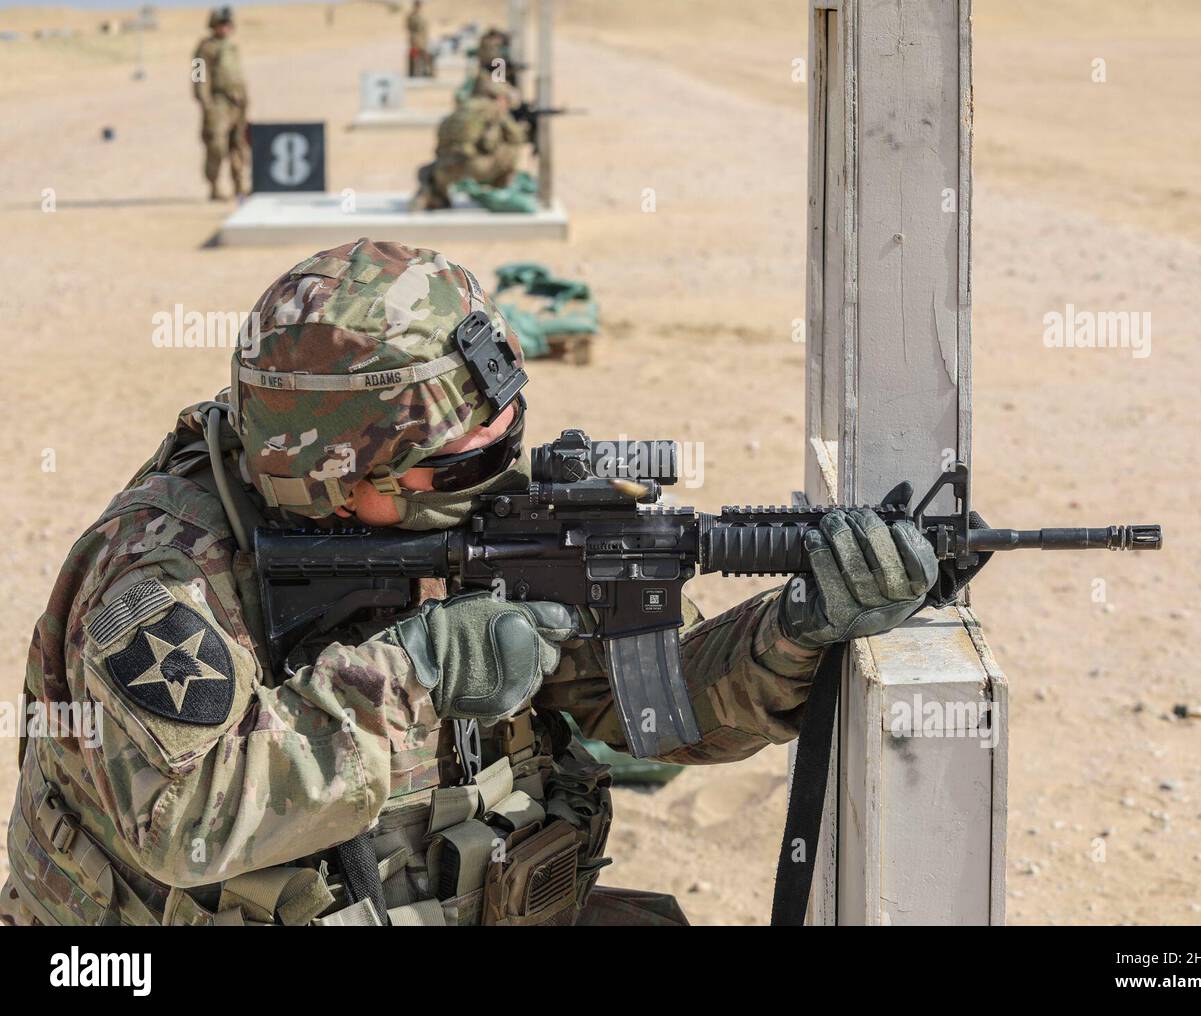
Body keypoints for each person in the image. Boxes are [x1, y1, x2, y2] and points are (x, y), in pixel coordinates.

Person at [0, 239, 937, 926]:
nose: (491, 486)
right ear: (331, 476)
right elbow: (186, 821)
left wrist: (797, 629)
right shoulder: (159, 579)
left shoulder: (480, 524)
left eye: (507, 444)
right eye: (454, 470)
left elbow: (656, 710)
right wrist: (416, 671)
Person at [412, 81, 527, 210]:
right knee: (511, 149)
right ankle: (500, 191)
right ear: (499, 98)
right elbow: (517, 137)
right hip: (473, 169)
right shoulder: (494, 109)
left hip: (444, 169)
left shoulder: (464, 106)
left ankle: (436, 196)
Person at [192, 6, 248, 201]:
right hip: (217, 103)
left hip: (237, 102)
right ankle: (214, 186)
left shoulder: (232, 47)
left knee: (239, 145)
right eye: (221, 24)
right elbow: (198, 77)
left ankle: (240, 185)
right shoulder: (204, 49)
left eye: (227, 24)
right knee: (217, 145)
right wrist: (205, 103)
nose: (224, 28)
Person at [406, 1, 432, 78]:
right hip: (415, 40)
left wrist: (425, 39)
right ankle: (412, 74)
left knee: (424, 56)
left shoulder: (422, 16)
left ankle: (426, 72)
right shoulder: (411, 16)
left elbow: (425, 29)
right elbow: (410, 28)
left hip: (423, 40)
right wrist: (414, 39)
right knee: (414, 57)